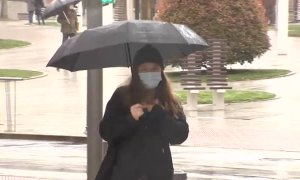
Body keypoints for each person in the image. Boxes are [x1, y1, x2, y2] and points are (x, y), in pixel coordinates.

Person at [96, 45, 189, 180]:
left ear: (161, 72)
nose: (149, 73)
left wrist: (160, 114)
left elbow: (179, 136)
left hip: (157, 173)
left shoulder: (169, 100)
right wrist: (130, 118)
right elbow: (106, 132)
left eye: (154, 69)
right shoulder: (121, 96)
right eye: (144, 69)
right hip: (123, 172)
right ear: (136, 72)